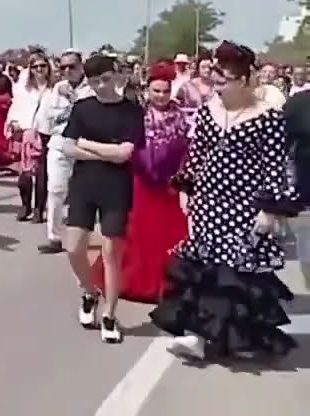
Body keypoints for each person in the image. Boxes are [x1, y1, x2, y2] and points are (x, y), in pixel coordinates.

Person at [151, 41, 300, 362]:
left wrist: (269, 209)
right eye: (215, 78)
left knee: (235, 275)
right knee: (205, 269)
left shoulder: (268, 118)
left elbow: (275, 166)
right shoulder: (208, 111)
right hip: (209, 202)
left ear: (244, 80)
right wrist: (187, 188)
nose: (217, 85)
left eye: (224, 80)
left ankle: (223, 336)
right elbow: (197, 154)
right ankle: (196, 335)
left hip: (245, 206)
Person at [61, 54, 145, 344]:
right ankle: (89, 291)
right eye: (94, 81)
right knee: (73, 247)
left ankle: (110, 314)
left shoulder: (132, 111)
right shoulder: (82, 108)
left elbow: (125, 154)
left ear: (117, 75)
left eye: (105, 79)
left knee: (111, 254)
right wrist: (105, 151)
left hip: (116, 188)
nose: (100, 86)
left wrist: (86, 144)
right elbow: (67, 147)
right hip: (84, 184)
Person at [91, 61, 190, 303]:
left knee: (169, 234)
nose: (161, 96)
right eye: (156, 91)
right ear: (148, 89)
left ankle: (169, 281)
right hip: (140, 181)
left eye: (165, 91)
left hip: (169, 184)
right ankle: (128, 280)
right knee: (136, 232)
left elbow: (188, 150)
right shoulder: (137, 114)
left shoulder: (181, 116)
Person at [38, 49, 90, 253]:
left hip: (85, 144)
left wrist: (74, 100)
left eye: (72, 66)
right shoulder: (57, 89)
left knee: (84, 192)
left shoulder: (91, 88)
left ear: (81, 67)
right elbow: (48, 118)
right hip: (60, 142)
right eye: (63, 67)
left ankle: (83, 235)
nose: (67, 71)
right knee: (56, 190)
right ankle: (55, 237)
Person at [7, 54, 53, 221]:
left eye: (42, 66)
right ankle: (25, 205)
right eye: (35, 67)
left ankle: (39, 209)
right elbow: (15, 107)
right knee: (25, 174)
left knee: (42, 175)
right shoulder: (24, 88)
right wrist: (14, 122)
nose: (39, 69)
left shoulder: (54, 89)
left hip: (46, 133)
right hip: (26, 134)